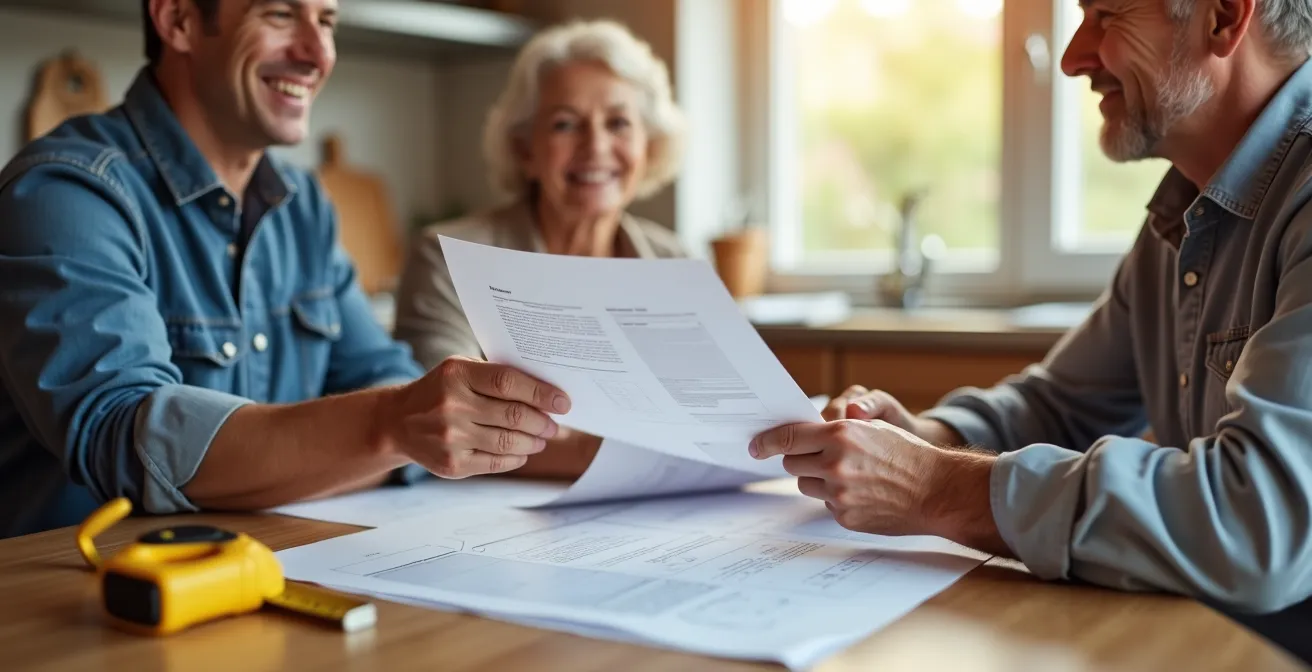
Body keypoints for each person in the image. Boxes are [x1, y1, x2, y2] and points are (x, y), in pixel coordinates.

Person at [749, 0, 1312, 643]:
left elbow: (1259, 520)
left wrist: (935, 484)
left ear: (1222, 18)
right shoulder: (1183, 215)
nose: (1073, 58)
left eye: (1106, 14)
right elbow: (1063, 405)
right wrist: (924, 436)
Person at [0, 0, 573, 539]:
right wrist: (390, 426)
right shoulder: (66, 192)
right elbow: (126, 438)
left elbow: (384, 382)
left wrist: (398, 422)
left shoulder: (305, 206)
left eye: (326, 21)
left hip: (261, 575)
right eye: (279, 12)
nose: (317, 53)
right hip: (80, 607)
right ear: (177, 20)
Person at [392, 19, 687, 478]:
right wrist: (634, 456)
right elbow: (444, 425)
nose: (596, 147)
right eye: (566, 124)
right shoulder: (447, 255)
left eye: (618, 123)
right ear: (525, 149)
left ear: (648, 146)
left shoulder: (677, 264)